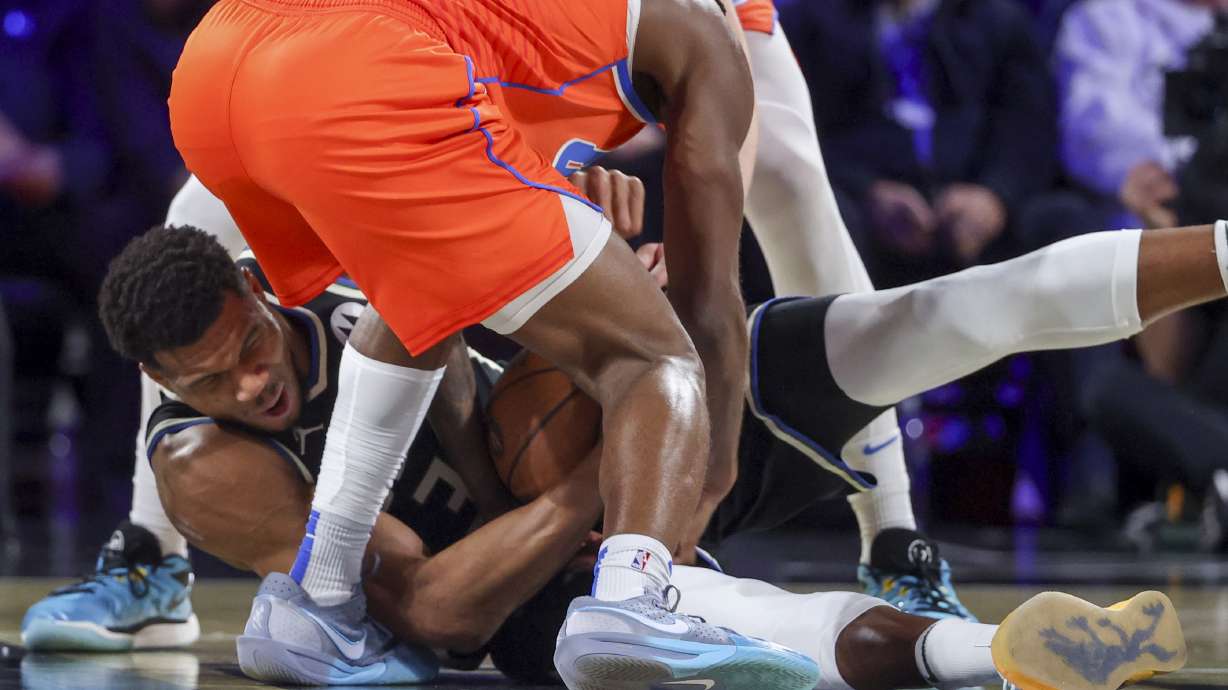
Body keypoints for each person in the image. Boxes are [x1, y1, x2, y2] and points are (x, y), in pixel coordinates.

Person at [40, 222, 1196, 690]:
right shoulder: (205, 463)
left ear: (257, 287)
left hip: (609, 454)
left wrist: (603, 273)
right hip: (528, 591)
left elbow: (552, 324)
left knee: (921, 318)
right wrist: (623, 460)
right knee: (745, 621)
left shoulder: (354, 289)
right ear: (164, 385)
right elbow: (439, 608)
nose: (252, 383)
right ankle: (1002, 650)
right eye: (209, 379)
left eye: (248, 345)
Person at [167, 0, 779, 684]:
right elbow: (709, 305)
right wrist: (707, 480)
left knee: (415, 291)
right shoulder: (705, 39)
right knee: (652, 358)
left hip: (213, 71)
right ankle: (631, 601)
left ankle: (318, 599)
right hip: (357, 71)